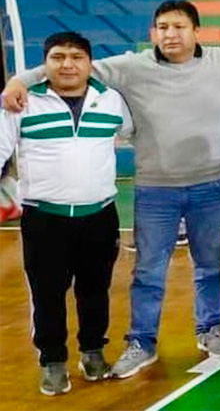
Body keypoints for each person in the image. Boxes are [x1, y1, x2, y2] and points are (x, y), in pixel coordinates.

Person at [2, 0, 220, 379]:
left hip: (212, 185)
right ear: (152, 33)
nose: (170, 34)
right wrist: (17, 81)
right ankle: (141, 342)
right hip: (155, 189)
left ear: (197, 32)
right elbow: (67, 66)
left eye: (179, 27)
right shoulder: (131, 66)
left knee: (210, 266)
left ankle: (210, 329)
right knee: (148, 271)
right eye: (162, 27)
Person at [2, 33, 132, 395]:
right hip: (45, 219)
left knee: (95, 290)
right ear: (44, 65)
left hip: (100, 215)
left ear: (90, 63)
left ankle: (93, 352)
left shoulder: (111, 101)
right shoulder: (22, 102)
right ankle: (53, 361)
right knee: (47, 293)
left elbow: (135, 136)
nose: (67, 64)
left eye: (76, 56)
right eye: (58, 57)